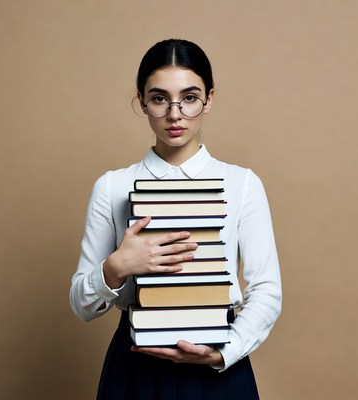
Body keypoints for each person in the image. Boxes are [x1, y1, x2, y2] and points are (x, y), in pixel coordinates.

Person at [70, 38, 282, 399]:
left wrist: (222, 352)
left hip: (217, 361)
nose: (174, 114)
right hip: (137, 364)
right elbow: (81, 304)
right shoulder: (112, 186)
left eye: (189, 97)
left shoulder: (242, 183)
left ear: (209, 99)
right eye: (159, 98)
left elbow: (266, 290)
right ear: (142, 101)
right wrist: (116, 266)